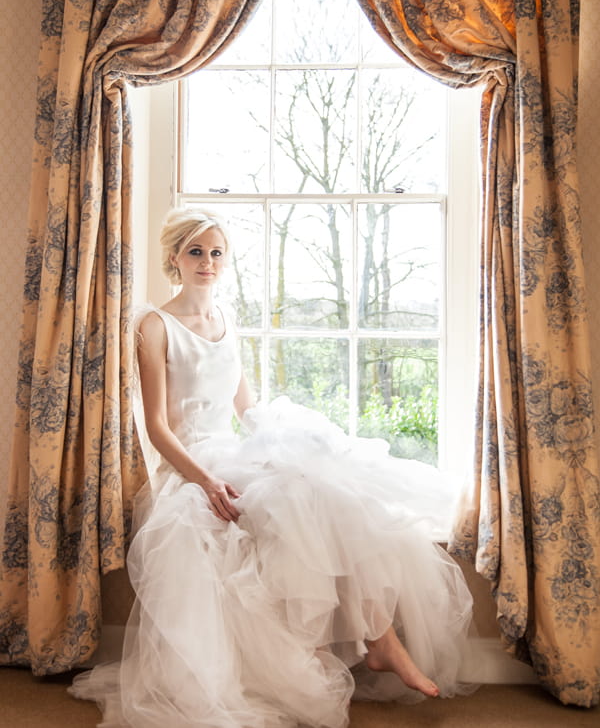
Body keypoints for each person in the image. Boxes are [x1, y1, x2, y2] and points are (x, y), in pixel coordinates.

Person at [70, 208, 476, 728]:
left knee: (324, 493)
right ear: (174, 257)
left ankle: (381, 641)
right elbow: (157, 429)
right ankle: (353, 649)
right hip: (190, 469)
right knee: (276, 511)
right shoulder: (154, 325)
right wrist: (206, 479)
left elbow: (246, 409)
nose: (208, 263)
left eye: (217, 253)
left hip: (230, 452)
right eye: (196, 252)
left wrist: (286, 447)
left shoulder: (227, 319)